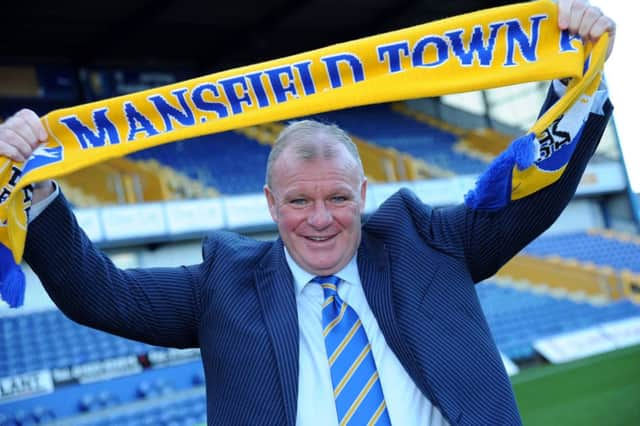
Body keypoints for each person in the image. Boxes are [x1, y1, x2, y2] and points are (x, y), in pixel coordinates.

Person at [0, 1, 616, 424]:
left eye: (338, 198)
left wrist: (575, 81)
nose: (320, 218)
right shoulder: (224, 282)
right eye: (299, 200)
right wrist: (33, 184)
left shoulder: (426, 241)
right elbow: (102, 295)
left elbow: (528, 196)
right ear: (271, 203)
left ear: (364, 193)